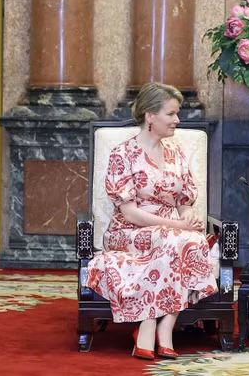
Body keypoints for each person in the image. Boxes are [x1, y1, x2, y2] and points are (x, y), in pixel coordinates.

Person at [84, 82, 216, 360]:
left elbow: (184, 199)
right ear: (149, 116)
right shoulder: (122, 154)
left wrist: (186, 214)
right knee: (182, 240)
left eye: (176, 114)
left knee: (188, 241)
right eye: (170, 114)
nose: (177, 120)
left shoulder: (176, 152)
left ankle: (162, 326)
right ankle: (150, 326)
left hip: (170, 230)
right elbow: (129, 212)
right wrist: (178, 226)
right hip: (130, 230)